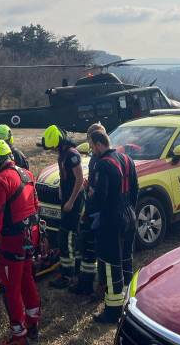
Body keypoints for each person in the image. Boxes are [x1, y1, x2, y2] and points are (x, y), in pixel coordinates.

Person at [0, 140, 41, 345]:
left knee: (11, 288)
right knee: (27, 279)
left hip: (12, 241)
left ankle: (19, 336)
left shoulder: (0, 181)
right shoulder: (27, 174)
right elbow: (36, 206)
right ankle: (33, 323)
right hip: (30, 236)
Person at [89, 130, 138, 323]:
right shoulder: (127, 159)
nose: (92, 150)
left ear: (99, 144)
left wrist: (91, 195)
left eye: (92, 146)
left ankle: (112, 310)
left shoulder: (103, 165)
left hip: (111, 220)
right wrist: (129, 210)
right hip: (129, 215)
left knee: (111, 264)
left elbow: (100, 198)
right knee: (126, 259)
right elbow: (135, 189)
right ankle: (127, 300)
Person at [41, 124, 84, 289]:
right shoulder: (63, 154)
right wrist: (60, 190)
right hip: (66, 199)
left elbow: (79, 180)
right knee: (67, 237)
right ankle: (71, 272)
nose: (53, 150)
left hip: (73, 203)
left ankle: (68, 275)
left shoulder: (72, 155)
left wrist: (71, 201)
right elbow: (64, 176)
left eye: (54, 147)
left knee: (66, 238)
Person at [70, 122, 105, 296]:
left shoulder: (104, 160)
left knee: (93, 248)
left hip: (99, 212)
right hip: (90, 207)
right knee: (84, 246)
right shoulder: (94, 159)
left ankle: (92, 284)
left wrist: (92, 189)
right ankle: (85, 282)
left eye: (91, 141)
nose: (89, 146)